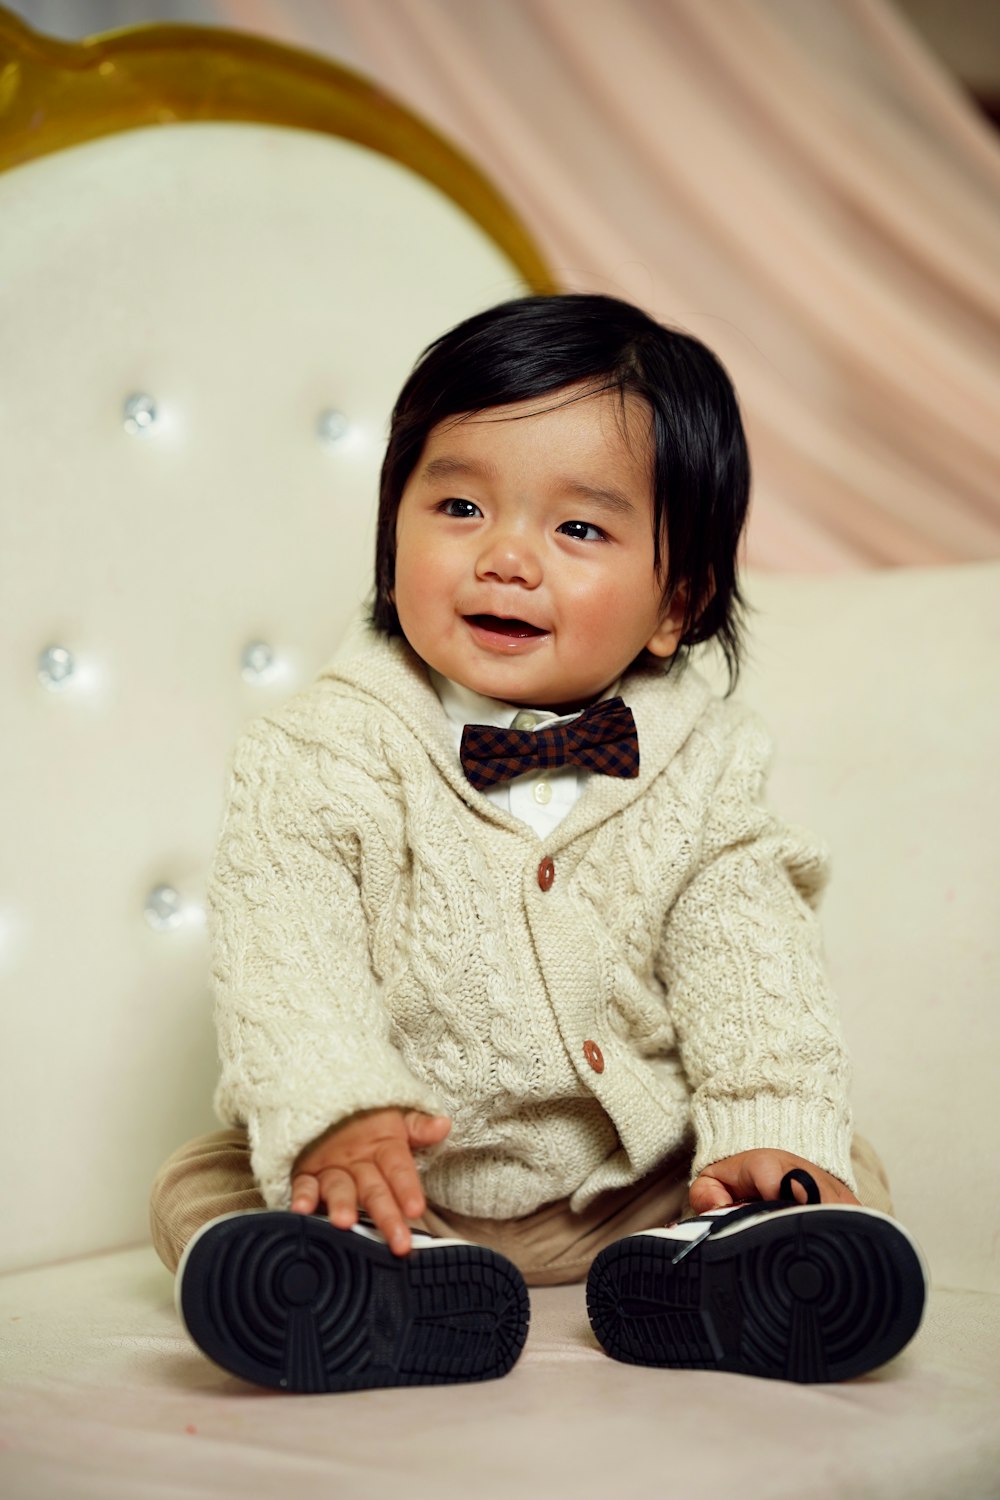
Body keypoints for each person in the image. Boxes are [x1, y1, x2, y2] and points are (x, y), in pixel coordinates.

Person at [150, 293, 927, 1394]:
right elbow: (288, 940)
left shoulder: (701, 761)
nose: (506, 557)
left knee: (831, 1171)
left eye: (577, 529)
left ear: (677, 602)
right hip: (401, 1174)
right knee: (204, 1184)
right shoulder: (321, 747)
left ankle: (709, 1272)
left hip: (632, 1183)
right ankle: (389, 1280)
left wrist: (769, 1126)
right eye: (459, 506)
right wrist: (337, 1109)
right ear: (390, 539)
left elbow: (747, 951)